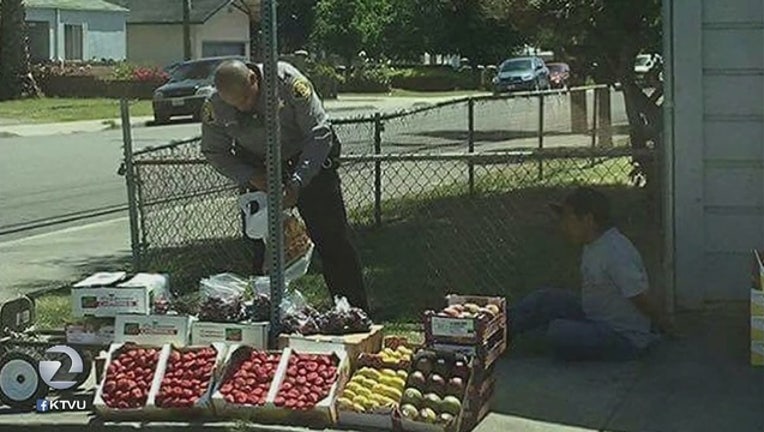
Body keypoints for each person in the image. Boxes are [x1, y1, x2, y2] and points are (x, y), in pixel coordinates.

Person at [199, 59, 370, 312]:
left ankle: (354, 313)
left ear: (253, 79)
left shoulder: (287, 82)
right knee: (263, 249)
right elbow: (214, 151)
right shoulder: (215, 104)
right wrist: (250, 176)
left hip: (308, 160)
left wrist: (298, 182)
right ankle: (269, 314)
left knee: (332, 241)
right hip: (259, 168)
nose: (243, 107)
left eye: (247, 99)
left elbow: (319, 133)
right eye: (234, 104)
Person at [508, 186, 674, 361]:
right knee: (544, 299)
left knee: (558, 332)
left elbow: (640, 297)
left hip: (622, 337)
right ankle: (495, 332)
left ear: (588, 220)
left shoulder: (615, 252)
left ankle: (524, 344)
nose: (563, 225)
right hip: (595, 317)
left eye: (568, 219)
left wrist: (665, 326)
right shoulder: (593, 244)